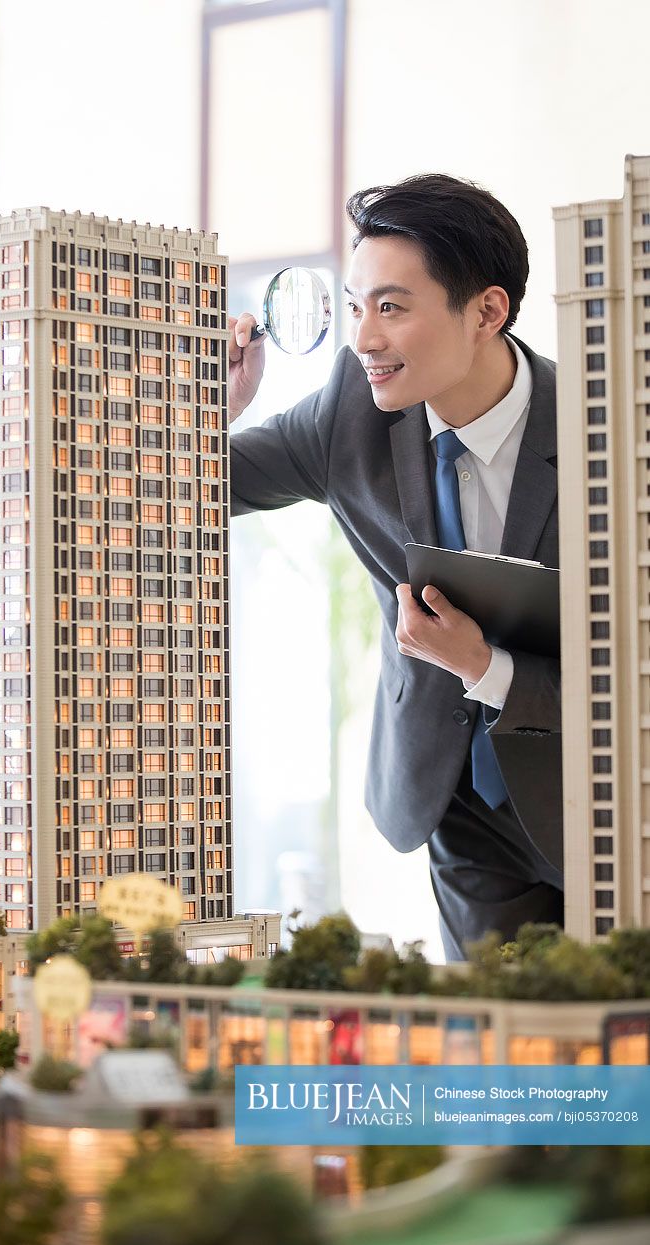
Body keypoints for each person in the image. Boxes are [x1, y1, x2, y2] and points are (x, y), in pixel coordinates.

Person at [228, 173, 562, 961]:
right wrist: (214, 409)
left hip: (603, 793)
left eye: (391, 307)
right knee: (504, 1049)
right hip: (456, 801)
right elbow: (199, 489)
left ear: (486, 311)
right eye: (353, 305)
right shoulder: (351, 407)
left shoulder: (601, 428)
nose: (363, 338)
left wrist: (486, 667)